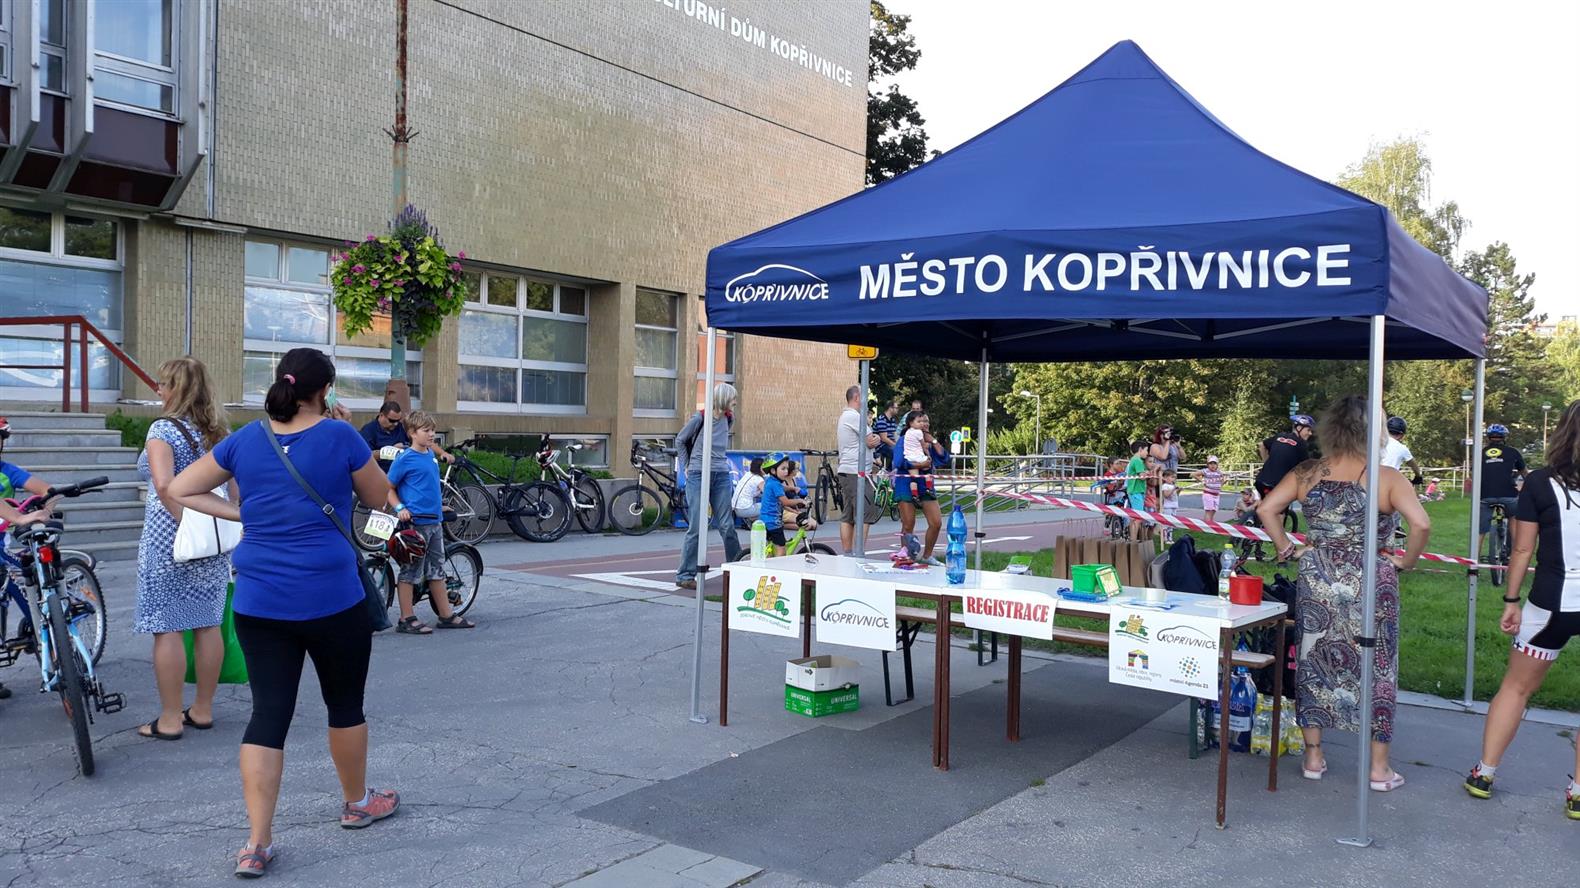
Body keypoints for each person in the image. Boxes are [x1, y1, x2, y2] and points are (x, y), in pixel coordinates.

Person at [168, 347, 399, 878]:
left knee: (268, 715)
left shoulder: (246, 439)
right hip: (332, 597)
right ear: (325, 390)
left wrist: (242, 513)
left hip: (260, 600)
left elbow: (179, 488)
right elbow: (377, 498)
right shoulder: (340, 436)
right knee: (345, 705)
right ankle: (357, 802)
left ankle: (257, 842)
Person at [1258, 395, 1430, 793]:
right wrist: (1407, 562)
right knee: (1378, 664)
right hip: (1371, 577)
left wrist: (1286, 548)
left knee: (1313, 658)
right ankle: (1379, 768)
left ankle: (1313, 757)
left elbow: (1267, 509)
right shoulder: (1387, 478)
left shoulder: (1307, 471)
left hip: (1317, 575)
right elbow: (1421, 524)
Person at [1463, 401, 1580, 817]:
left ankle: (1484, 773)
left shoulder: (1540, 482)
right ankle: (1578, 792)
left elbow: (1522, 549)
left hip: (1552, 601)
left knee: (1516, 688)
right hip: (1559, 597)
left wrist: (1511, 600)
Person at [134, 357, 235, 741]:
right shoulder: (219, 431)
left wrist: (188, 524)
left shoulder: (163, 429)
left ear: (176, 388)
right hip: (214, 536)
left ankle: (170, 719)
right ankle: (203, 710)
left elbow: (164, 485)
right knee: (208, 623)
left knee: (167, 627)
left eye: (163, 384)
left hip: (169, 537)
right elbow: (235, 487)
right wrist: (220, 524)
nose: (158, 390)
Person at [387, 411, 475, 635]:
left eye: (433, 430)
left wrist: (439, 506)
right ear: (412, 433)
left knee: (436, 569)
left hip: (434, 521)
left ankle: (445, 615)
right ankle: (406, 618)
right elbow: (388, 488)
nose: (431, 434)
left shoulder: (430, 456)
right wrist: (400, 508)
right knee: (410, 571)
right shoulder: (405, 458)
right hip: (415, 524)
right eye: (426, 430)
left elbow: (428, 488)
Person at [0, 416, 58, 703]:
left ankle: (51, 639)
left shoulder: (7, 471)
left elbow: (47, 489)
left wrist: (45, 510)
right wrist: (19, 517)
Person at [674, 383, 742, 590]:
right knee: (696, 525)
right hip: (698, 473)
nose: (735, 402)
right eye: (732, 398)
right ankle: (685, 575)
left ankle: (737, 569)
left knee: (727, 525)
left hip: (720, 474)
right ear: (723, 398)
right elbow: (680, 440)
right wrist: (686, 466)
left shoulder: (729, 418)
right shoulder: (700, 418)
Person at [894, 412, 948, 564]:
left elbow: (944, 458)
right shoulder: (905, 439)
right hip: (906, 484)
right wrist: (919, 464)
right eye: (921, 421)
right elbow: (898, 462)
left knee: (936, 522)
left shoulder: (928, 442)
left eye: (926, 421)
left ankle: (927, 556)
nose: (924, 423)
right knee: (908, 523)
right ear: (911, 424)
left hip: (926, 485)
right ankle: (906, 556)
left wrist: (933, 441)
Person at [836, 385, 880, 554]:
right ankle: (858, 553)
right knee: (864, 513)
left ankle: (848, 553)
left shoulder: (846, 416)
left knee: (848, 514)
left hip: (848, 471)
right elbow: (871, 441)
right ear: (856, 398)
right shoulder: (855, 417)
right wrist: (875, 438)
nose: (866, 401)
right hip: (857, 472)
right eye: (864, 397)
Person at [1256, 414, 1316, 535]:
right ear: (1298, 428)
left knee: (1263, 505)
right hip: (1278, 485)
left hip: (1261, 481)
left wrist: (1265, 462)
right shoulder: (1300, 444)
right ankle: (1277, 541)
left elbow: (1261, 445)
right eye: (1308, 430)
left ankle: (1253, 523)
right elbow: (1307, 468)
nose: (1310, 433)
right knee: (1280, 512)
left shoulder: (1279, 436)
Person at [1478, 423, 1528, 556]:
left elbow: (1475, 474)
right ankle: (1517, 555)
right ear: (1504, 437)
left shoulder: (1479, 452)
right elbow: (1524, 473)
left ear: (1488, 437)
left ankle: (1473, 561)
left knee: (1480, 531)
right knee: (1514, 518)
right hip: (1508, 494)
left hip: (1485, 495)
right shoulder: (1513, 452)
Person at [758, 453, 812, 555]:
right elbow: (786, 502)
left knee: (772, 547)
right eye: (783, 469)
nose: (786, 471)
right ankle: (779, 564)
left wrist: (793, 488)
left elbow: (782, 488)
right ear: (773, 471)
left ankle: (770, 561)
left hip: (765, 520)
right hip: (773, 523)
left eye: (787, 469)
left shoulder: (771, 481)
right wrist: (800, 501)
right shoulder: (775, 484)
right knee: (781, 549)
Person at [1381, 416, 1422, 482]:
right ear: (1401, 435)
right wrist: (1418, 477)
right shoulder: (1402, 448)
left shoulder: (1375, 442)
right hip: (1389, 481)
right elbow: (1414, 466)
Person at [1124, 440, 1149, 542]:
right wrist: (1148, 473)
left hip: (1134, 491)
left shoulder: (1133, 460)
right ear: (1140, 449)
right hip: (1136, 491)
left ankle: (1132, 540)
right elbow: (1142, 477)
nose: (1147, 453)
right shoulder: (1138, 461)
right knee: (1138, 518)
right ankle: (1133, 540)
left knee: (1134, 517)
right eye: (1146, 450)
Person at [732, 458, 765, 524]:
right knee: (768, 506)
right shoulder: (759, 479)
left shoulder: (748, 474)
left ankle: (750, 519)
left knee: (755, 500)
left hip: (735, 508)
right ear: (760, 468)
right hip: (744, 509)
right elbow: (768, 494)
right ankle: (752, 521)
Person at [1195, 456, 1225, 523]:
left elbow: (1221, 482)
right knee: (1208, 511)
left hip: (1216, 494)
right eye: (1211, 463)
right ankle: (1207, 525)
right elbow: (1194, 474)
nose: (1212, 465)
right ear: (1208, 464)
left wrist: (1223, 483)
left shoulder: (1219, 472)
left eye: (1214, 463)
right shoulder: (1206, 471)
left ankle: (1210, 524)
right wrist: (1202, 481)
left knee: (1214, 510)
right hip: (1208, 493)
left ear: (1217, 465)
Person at [872, 401, 900, 469]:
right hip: (880, 445)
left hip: (889, 444)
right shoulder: (882, 420)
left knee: (900, 450)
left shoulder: (892, 419)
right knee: (896, 452)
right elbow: (884, 439)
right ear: (890, 408)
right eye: (896, 408)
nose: (897, 410)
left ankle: (891, 469)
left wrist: (898, 444)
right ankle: (890, 470)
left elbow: (894, 435)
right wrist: (896, 445)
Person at [1159, 469, 1179, 544]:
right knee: (1167, 522)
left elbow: (1176, 495)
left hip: (1174, 506)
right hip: (1168, 507)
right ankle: (1165, 538)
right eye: (1172, 477)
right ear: (1165, 478)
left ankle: (1170, 537)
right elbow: (1166, 495)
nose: (1173, 479)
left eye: (1174, 477)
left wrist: (1178, 490)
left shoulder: (1172, 486)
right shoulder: (1165, 486)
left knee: (1172, 523)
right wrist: (1173, 489)